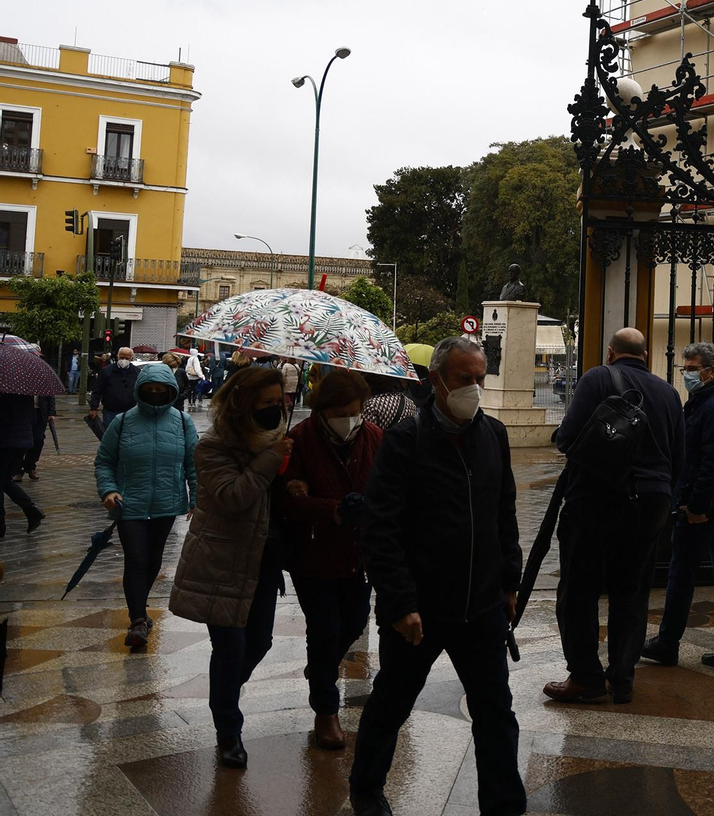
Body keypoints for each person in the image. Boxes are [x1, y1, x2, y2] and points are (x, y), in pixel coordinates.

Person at [349, 336, 523, 816]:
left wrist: (511, 582)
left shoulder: (494, 436)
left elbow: (503, 514)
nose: (474, 388)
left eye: (480, 379)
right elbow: (380, 527)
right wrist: (401, 603)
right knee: (391, 705)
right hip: (419, 609)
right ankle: (365, 790)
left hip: (482, 605)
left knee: (495, 714)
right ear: (437, 380)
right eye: (464, 379)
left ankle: (505, 806)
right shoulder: (406, 441)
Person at [545, 327, 684, 705]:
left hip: (599, 498)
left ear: (610, 353)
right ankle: (622, 678)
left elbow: (568, 438)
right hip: (653, 500)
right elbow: (678, 456)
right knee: (632, 591)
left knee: (579, 588)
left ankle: (586, 677)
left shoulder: (598, 378)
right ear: (645, 356)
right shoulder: (669, 393)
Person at [168, 365, 291, 770]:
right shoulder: (214, 445)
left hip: (263, 564)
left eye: (281, 401)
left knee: (260, 644)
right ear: (244, 401)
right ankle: (228, 732)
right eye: (268, 402)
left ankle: (223, 696)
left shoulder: (277, 441)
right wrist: (270, 461)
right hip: (221, 563)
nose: (277, 408)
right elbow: (231, 496)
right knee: (230, 648)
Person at [279, 369, 382, 751]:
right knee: (324, 629)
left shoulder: (372, 437)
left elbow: (387, 487)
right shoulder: (300, 439)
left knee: (354, 621)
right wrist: (331, 510)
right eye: (341, 411)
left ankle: (320, 669)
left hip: (358, 554)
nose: (350, 418)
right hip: (313, 554)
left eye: (356, 410)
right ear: (323, 409)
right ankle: (326, 709)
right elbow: (286, 501)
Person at [642, 341, 714, 671]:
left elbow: (713, 462)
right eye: (684, 369)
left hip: (708, 509)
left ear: (711, 371)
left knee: (682, 573)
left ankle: (668, 642)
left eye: (691, 369)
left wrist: (696, 505)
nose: (686, 375)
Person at [94, 362, 198, 648]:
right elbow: (104, 461)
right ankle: (138, 619)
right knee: (137, 559)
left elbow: (193, 462)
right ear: (140, 391)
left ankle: (140, 607)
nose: (154, 393)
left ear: (170, 391)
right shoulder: (123, 421)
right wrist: (109, 489)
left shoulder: (182, 422)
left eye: (160, 390)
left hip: (167, 503)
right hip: (130, 504)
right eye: (149, 389)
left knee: (153, 560)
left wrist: (197, 497)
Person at [0, 394, 45, 536]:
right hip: (23, 441)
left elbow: (3, 418)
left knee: (2, 480)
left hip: (7, 442)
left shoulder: (3, 393)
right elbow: (33, 417)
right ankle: (31, 510)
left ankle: (1, 527)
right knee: (5, 481)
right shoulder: (24, 391)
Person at [89, 347, 142, 424]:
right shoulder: (107, 371)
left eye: (127, 358)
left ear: (131, 358)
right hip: (110, 411)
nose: (124, 360)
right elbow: (98, 389)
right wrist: (93, 408)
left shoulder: (137, 372)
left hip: (130, 411)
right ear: (117, 356)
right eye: (122, 357)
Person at [17, 387, 55, 482]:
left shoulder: (41, 378)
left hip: (41, 413)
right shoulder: (19, 379)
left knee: (38, 439)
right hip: (24, 413)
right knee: (22, 442)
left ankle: (30, 466)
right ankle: (17, 469)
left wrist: (51, 412)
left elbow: (50, 396)